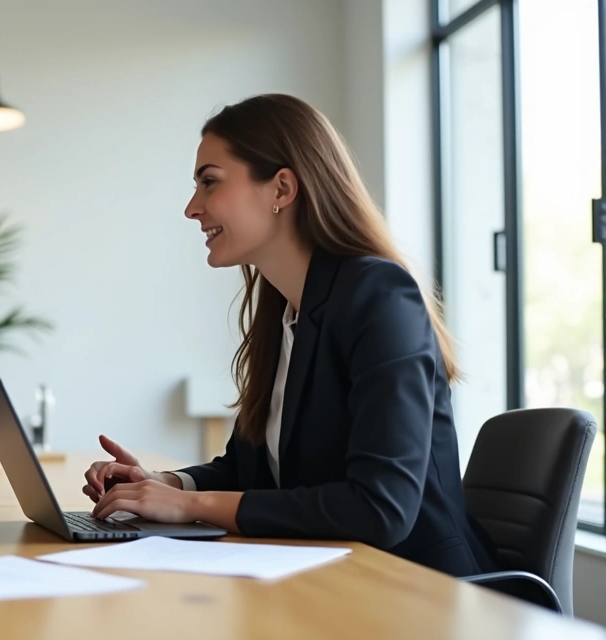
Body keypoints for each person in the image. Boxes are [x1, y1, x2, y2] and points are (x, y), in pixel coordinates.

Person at [82, 93, 499, 577]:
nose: (192, 208)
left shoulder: (379, 297)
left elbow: (380, 508)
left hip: (417, 591)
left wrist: (192, 508)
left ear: (281, 188)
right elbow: (249, 470)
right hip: (329, 580)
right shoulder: (283, 310)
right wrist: (166, 484)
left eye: (209, 183)